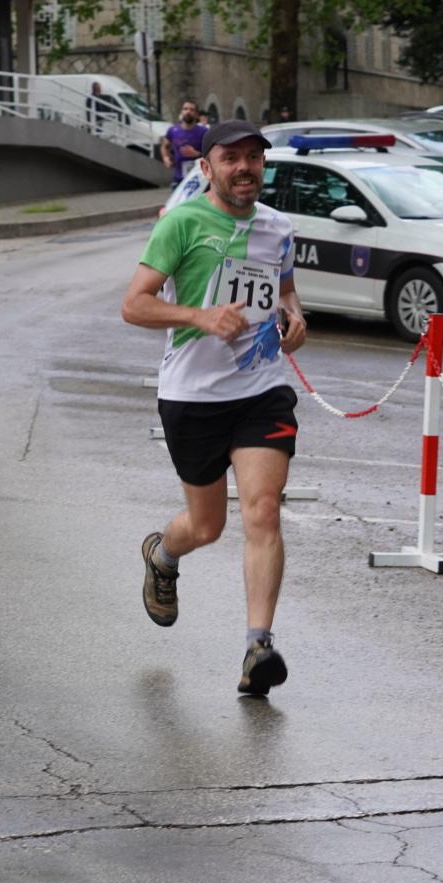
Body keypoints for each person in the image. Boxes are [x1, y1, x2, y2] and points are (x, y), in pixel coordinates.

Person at [121, 120, 307, 695]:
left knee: (263, 510)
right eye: (231, 158)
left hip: (260, 388)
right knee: (207, 527)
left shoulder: (278, 228)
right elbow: (135, 305)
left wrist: (294, 318)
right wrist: (200, 316)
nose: (245, 167)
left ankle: (258, 645)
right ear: (207, 167)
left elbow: (284, 291)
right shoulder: (181, 224)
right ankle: (163, 552)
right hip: (192, 396)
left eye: (255, 157)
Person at [161, 99, 208, 185]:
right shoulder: (172, 130)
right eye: (185, 109)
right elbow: (164, 146)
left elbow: (212, 153)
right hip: (179, 179)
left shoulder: (204, 132)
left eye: (191, 110)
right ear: (181, 112)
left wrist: (197, 154)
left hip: (200, 180)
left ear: (197, 115)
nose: (188, 112)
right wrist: (165, 158)